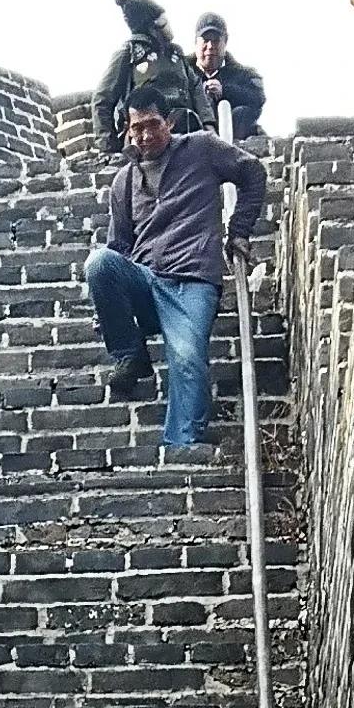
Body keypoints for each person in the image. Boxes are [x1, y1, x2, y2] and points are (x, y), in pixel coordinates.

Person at [86, 96, 267, 456]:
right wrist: (109, 310)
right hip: (148, 280)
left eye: (152, 124)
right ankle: (131, 355)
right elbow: (120, 244)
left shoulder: (200, 147)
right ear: (128, 130)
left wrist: (239, 231)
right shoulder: (123, 182)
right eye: (137, 127)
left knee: (186, 355)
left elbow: (253, 172)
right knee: (99, 263)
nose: (145, 135)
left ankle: (183, 444)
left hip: (192, 278)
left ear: (168, 122)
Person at [89, 0, 202, 154]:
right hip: (146, 133)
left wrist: (209, 124)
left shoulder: (176, 55)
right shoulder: (130, 54)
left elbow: (196, 88)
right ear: (153, 25)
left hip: (185, 127)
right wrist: (109, 147)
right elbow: (101, 99)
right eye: (164, 20)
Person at [191, 14, 266, 141]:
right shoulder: (181, 72)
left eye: (215, 40)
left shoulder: (243, 74)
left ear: (225, 42)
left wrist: (224, 91)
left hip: (236, 144)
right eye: (205, 40)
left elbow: (258, 98)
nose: (210, 46)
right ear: (196, 42)